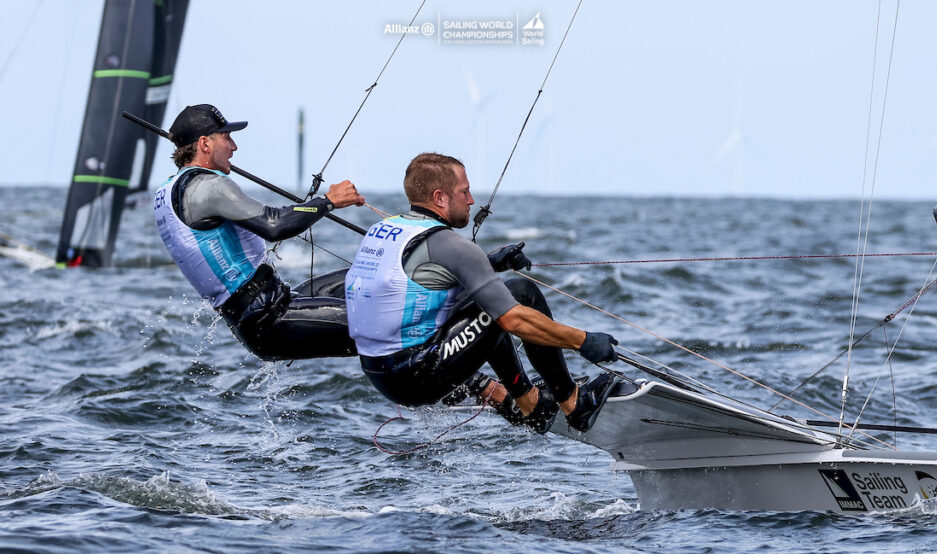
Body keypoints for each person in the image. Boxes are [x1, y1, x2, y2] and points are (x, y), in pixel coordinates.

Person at [344, 152, 620, 433]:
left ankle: (529, 403)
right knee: (521, 293)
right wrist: (583, 341)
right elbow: (514, 320)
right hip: (418, 377)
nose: (472, 200)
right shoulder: (451, 244)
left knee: (485, 297)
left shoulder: (386, 229)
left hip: (379, 373)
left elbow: (421, 281)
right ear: (440, 198)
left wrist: (489, 263)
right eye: (464, 191)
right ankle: (573, 402)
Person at [154, 104, 366, 361]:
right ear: (204, 144)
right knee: (382, 320)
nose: (234, 147)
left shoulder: (169, 189)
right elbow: (274, 225)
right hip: (270, 317)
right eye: (227, 138)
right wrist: (329, 200)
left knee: (371, 278)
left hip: (262, 313)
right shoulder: (206, 186)